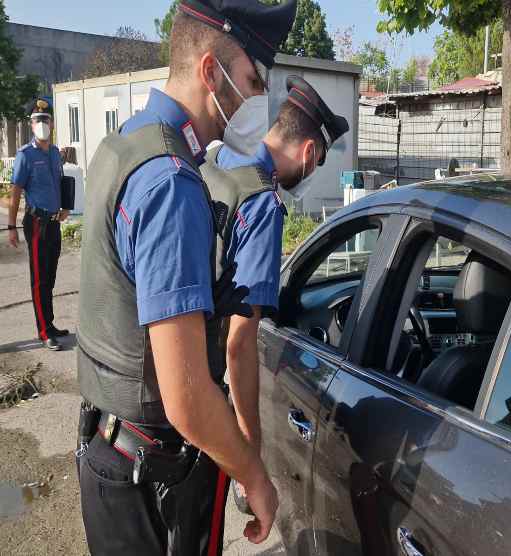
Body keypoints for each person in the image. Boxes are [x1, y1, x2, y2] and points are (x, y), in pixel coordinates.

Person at [74, 1, 297, 555]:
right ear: (208, 72)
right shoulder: (169, 182)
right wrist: (255, 476)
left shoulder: (126, 141)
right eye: (249, 80)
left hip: (111, 448)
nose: (252, 100)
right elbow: (188, 396)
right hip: (151, 480)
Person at [200, 75, 349, 508]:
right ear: (308, 151)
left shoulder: (219, 159)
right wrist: (250, 455)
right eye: (318, 161)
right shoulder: (263, 206)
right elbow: (239, 345)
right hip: (201, 383)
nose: (313, 170)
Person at [7, 99, 70, 351]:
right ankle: (44, 331)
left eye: (46, 120)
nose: (42, 124)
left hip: (54, 222)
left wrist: (65, 207)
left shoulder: (54, 153)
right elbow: (15, 193)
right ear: (31, 124)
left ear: (52, 123)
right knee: (39, 279)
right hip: (36, 223)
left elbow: (60, 182)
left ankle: (50, 323)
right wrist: (11, 226)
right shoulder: (26, 155)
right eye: (37, 120)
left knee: (51, 276)